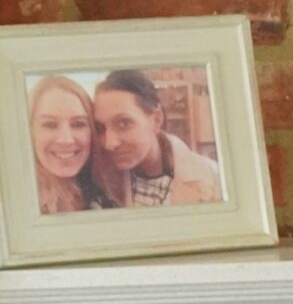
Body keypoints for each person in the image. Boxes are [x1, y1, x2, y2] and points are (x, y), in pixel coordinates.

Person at [93, 69, 219, 206]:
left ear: (156, 121)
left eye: (123, 123)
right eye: (100, 128)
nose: (109, 143)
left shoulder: (216, 179)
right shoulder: (100, 183)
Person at [27, 75, 123, 214]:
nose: (66, 139)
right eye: (50, 124)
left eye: (78, 124)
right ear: (30, 131)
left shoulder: (106, 187)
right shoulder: (18, 201)